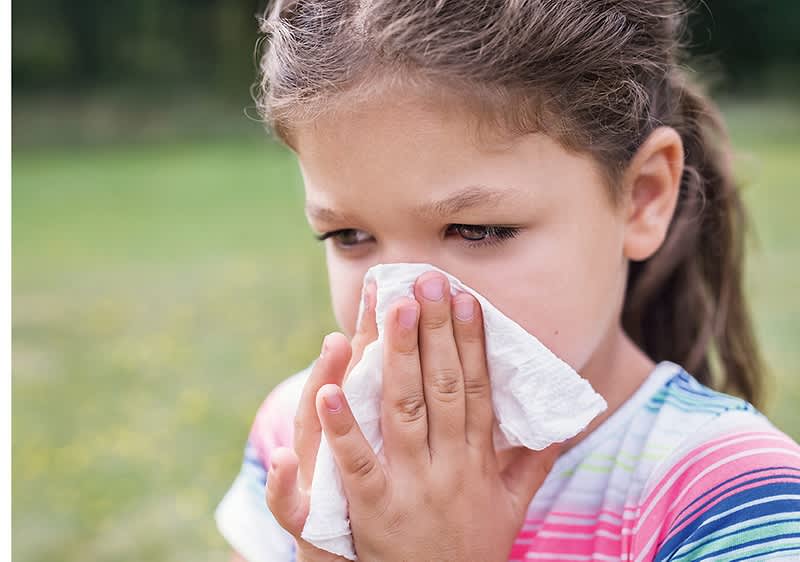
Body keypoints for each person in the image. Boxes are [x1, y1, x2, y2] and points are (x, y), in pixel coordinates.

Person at [215, 1, 800, 560]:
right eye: (349, 236)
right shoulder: (305, 443)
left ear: (643, 197)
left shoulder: (730, 497)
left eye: (479, 230)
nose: (406, 310)